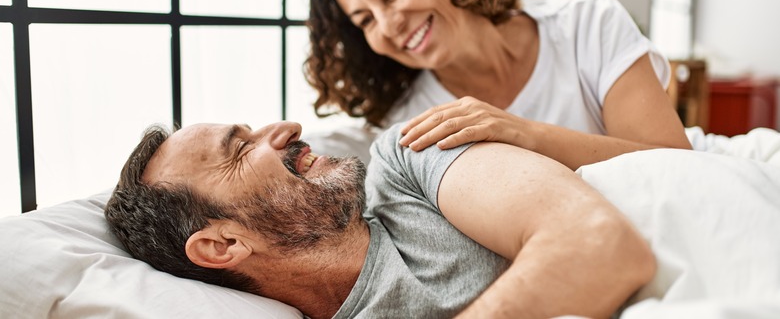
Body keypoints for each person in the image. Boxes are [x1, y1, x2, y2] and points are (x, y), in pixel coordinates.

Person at [105, 120, 655, 319]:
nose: (287, 127)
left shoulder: (409, 158)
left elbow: (601, 246)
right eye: (242, 148)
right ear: (222, 245)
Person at [305, 0, 691, 170]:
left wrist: (524, 134)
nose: (388, 26)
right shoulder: (412, 127)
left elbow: (675, 166)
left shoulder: (587, 23)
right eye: (366, 21)